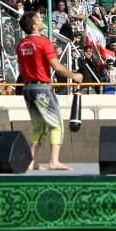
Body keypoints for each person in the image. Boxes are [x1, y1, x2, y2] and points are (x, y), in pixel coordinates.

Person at [15, 11, 82, 171]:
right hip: (42, 88)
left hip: (28, 88)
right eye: (39, 19)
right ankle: (54, 161)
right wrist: (75, 76)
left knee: (39, 127)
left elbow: (21, 70)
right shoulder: (44, 43)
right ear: (34, 25)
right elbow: (57, 68)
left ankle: (31, 161)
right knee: (56, 125)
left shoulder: (22, 44)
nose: (42, 20)